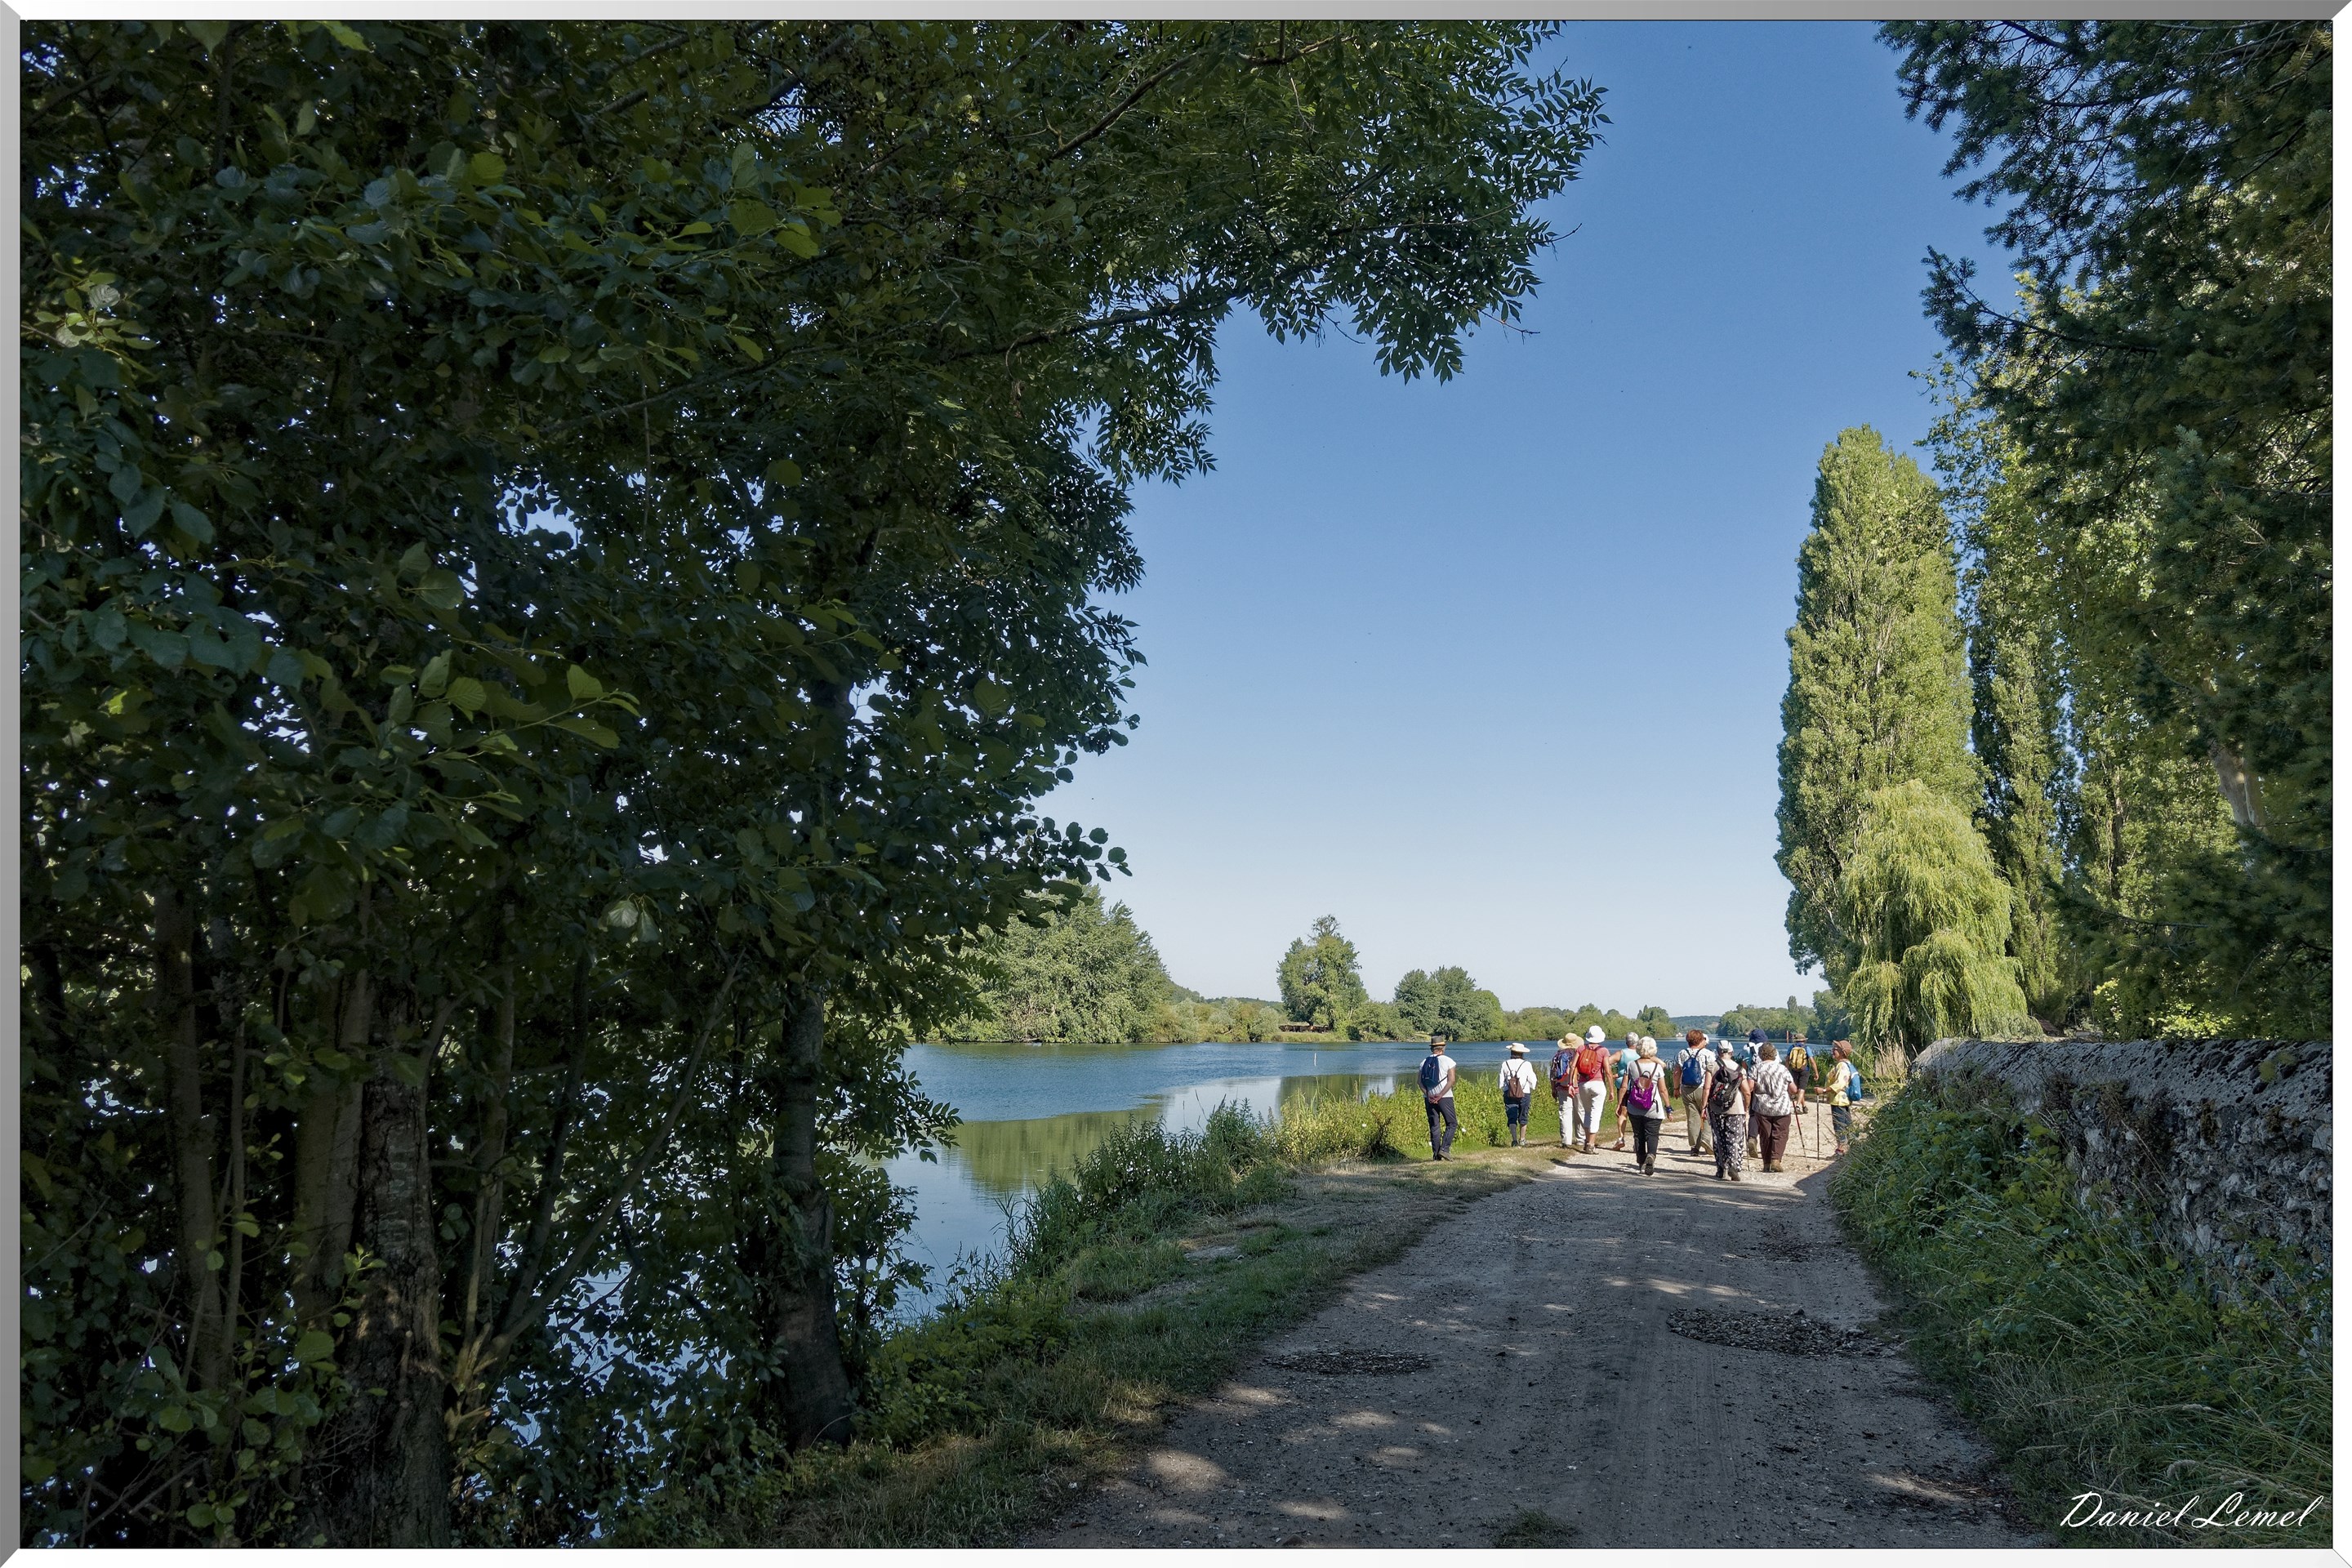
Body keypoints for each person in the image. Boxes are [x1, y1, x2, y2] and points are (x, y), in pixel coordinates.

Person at [1700, 1038, 1751, 1181]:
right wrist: (1746, 1108)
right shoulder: (1740, 1069)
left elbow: (1707, 1088)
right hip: (1736, 1108)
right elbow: (1746, 1092)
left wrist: (1704, 1106)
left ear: (1717, 1052)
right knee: (1735, 1137)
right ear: (1732, 1052)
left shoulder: (1712, 1066)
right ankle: (1734, 1165)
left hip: (1716, 1107)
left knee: (1718, 1137)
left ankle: (1722, 1168)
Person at [1619, 1036, 1670, 1174]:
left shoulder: (1631, 1065)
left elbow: (1624, 1087)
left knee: (1638, 1134)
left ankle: (1641, 1162)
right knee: (1652, 1134)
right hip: (1653, 1106)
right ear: (1653, 1049)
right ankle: (1651, 1155)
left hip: (1634, 1106)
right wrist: (1668, 1107)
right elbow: (1663, 1090)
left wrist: (1620, 1104)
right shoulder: (1657, 1067)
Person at [1748, 1041, 1797, 1173]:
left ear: (1760, 1055)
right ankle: (1776, 1160)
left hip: (1762, 1107)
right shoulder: (1782, 1069)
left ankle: (1766, 1163)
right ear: (1774, 1054)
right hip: (1782, 1107)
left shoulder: (1756, 1068)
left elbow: (1750, 1087)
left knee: (1765, 1135)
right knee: (1780, 1134)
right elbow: (1793, 1089)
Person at [1570, 1025, 1612, 1154]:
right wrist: (1611, 1090)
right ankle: (1591, 1144)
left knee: (1587, 1113)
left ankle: (1587, 1141)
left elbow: (1573, 1066)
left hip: (1583, 1085)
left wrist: (1572, 1084)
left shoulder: (1581, 1048)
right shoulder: (1603, 1051)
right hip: (1598, 1085)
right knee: (1596, 1114)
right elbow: (1608, 1071)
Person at [1674, 1028, 1713, 1155]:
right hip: (1703, 1088)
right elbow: (1713, 1072)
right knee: (1706, 1114)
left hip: (1686, 1089)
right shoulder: (1708, 1054)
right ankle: (1706, 1139)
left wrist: (1676, 1088)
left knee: (1692, 1117)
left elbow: (1676, 1073)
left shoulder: (1682, 1053)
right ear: (1701, 1040)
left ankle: (1694, 1147)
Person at [1420, 1036, 1459, 1160]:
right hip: (1445, 1097)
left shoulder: (1423, 1062)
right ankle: (1444, 1150)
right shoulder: (1449, 1061)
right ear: (1443, 1047)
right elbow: (1452, 1080)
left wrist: (1429, 1095)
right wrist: (1441, 1095)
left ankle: (1436, 1156)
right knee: (1452, 1123)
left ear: (1432, 1048)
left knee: (1434, 1126)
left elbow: (1419, 1082)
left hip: (1429, 1098)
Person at [1498, 1041, 1539, 1147]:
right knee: (1523, 1115)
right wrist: (1532, 1087)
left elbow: (1501, 1081)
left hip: (1509, 1093)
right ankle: (1522, 1139)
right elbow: (1532, 1080)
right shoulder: (1527, 1064)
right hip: (1524, 1093)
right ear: (1522, 1053)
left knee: (1512, 1116)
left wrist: (1503, 1088)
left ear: (1511, 1052)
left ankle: (1514, 1140)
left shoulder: (1505, 1064)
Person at [1609, 1032, 1640, 1152]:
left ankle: (1621, 1138)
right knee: (1637, 1114)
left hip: (1623, 1086)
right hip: (1638, 1086)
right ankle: (1637, 1141)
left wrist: (1614, 1074)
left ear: (1626, 1042)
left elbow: (1607, 1062)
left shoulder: (1621, 1053)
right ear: (1637, 1042)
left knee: (1623, 1112)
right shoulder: (1641, 1053)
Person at [1548, 1035, 1580, 1149]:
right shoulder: (1578, 1054)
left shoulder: (1557, 1056)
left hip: (1562, 1086)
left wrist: (1553, 1088)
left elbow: (1552, 1074)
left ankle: (1566, 1140)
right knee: (1580, 1112)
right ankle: (1581, 1139)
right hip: (1578, 1086)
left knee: (1565, 1113)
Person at [1828, 1040, 1859, 1156]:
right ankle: (1853, 1148)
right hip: (1844, 1099)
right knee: (1847, 1124)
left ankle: (1841, 1150)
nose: (1833, 1050)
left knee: (1839, 1125)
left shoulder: (1842, 1066)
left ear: (1842, 1052)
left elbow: (1840, 1084)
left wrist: (1824, 1090)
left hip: (1839, 1099)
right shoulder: (1847, 1064)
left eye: (1835, 1049)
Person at [1786, 1039, 1815, 1157]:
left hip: (1793, 1070)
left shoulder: (1791, 1047)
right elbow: (1812, 1061)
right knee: (1802, 1089)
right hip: (1804, 1070)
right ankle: (1798, 1105)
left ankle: (1804, 1106)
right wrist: (1816, 1072)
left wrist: (1787, 1070)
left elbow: (1787, 1060)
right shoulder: (1806, 1048)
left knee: (1797, 1089)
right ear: (1803, 1040)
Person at [1742, 1029, 1766, 1160]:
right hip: (1767, 1085)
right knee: (1767, 1115)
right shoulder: (1768, 1048)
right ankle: (1767, 1146)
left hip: (1751, 1083)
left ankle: (1752, 1138)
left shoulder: (1747, 1049)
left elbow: (1743, 1067)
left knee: (1753, 1113)